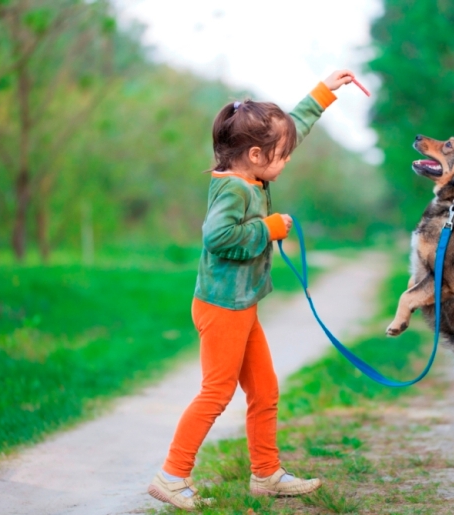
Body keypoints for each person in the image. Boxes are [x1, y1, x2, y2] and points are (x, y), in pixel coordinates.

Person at [148, 70, 355, 511]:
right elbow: (217, 238)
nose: (287, 161)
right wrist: (268, 227)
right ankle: (171, 475)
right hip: (222, 308)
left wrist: (323, 93)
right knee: (216, 393)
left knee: (264, 391)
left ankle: (266, 474)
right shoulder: (232, 190)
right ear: (256, 154)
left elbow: (290, 127)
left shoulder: (252, 172)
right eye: (281, 156)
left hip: (241, 307)